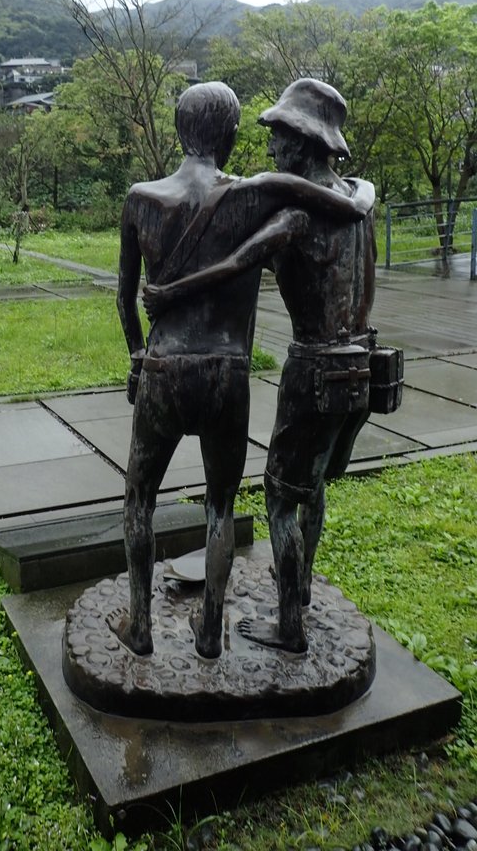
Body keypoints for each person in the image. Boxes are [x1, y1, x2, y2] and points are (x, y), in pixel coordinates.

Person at [112, 80, 374, 658]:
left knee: (139, 498)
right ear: (229, 135)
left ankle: (141, 626)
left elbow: (129, 296)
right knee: (225, 504)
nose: (272, 145)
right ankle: (213, 631)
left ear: (181, 130)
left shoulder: (139, 197)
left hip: (165, 365)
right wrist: (361, 196)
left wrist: (138, 353)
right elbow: (344, 201)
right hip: (236, 373)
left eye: (281, 135)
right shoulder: (259, 194)